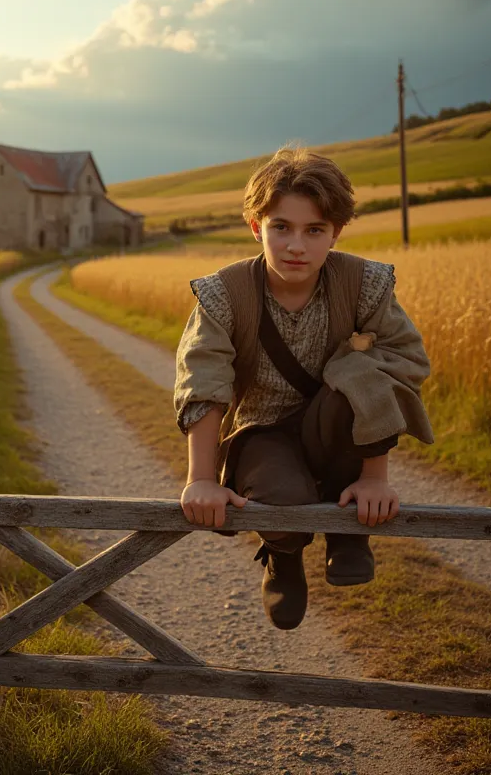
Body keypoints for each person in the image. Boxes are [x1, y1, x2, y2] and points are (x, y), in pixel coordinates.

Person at [174, 146, 434, 630]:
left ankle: (350, 532)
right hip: (262, 432)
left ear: (336, 231)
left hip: (340, 432)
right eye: (281, 227)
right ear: (256, 227)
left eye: (315, 230)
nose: (297, 245)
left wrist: (376, 479)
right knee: (279, 498)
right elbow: (203, 378)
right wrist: (202, 478)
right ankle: (283, 555)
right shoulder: (224, 294)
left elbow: (404, 360)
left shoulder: (364, 284)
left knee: (361, 371)